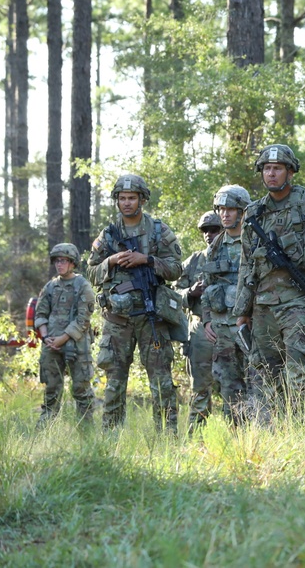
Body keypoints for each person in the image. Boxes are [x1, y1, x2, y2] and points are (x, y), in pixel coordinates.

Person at [234, 144, 305, 422]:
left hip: (299, 301)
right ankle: (269, 431)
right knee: (264, 371)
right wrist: (242, 312)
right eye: (267, 169)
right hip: (262, 305)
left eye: (278, 168)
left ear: (290, 172)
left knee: (298, 368)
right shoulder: (254, 213)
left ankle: (302, 428)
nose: (271, 174)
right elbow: (246, 264)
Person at [87, 174, 184, 433]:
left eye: (132, 198)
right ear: (116, 201)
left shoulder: (159, 230)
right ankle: (111, 439)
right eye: (122, 198)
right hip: (117, 321)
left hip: (150, 316)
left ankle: (167, 436)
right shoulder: (108, 235)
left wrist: (148, 260)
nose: (127, 203)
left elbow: (176, 269)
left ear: (142, 199)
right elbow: (91, 272)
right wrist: (111, 261)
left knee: (161, 381)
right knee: (114, 383)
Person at [201, 185, 251, 426]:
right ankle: (236, 437)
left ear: (242, 211)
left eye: (231, 209)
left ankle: (260, 435)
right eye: (221, 209)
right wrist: (207, 319)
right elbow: (206, 285)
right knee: (227, 385)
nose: (225, 214)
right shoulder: (215, 247)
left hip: (249, 327)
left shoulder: (253, 241)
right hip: (222, 329)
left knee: (256, 382)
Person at [33, 243, 96, 427]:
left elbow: (83, 318)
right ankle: (45, 430)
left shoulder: (82, 286)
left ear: (72, 263)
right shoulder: (50, 287)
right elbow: (41, 313)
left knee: (81, 390)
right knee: (51, 390)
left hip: (77, 345)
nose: (59, 265)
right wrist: (46, 338)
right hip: (51, 345)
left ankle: (86, 432)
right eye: (57, 261)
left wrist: (63, 338)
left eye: (64, 261)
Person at [175, 210, 223, 434]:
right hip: (200, 329)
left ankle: (240, 435)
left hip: (229, 327)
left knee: (235, 386)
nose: (209, 235)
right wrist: (190, 292)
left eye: (214, 230)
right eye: (206, 230)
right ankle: (197, 436)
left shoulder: (238, 255)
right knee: (200, 388)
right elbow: (173, 293)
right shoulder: (194, 261)